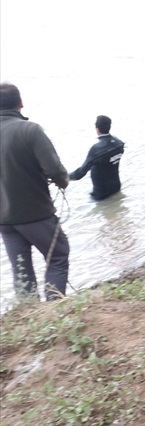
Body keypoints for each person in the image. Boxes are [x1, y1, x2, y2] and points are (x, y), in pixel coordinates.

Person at [0, 83, 71, 300]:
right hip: (35, 214)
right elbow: (54, 169)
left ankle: (29, 313)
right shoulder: (30, 130)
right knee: (58, 256)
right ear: (20, 103)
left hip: (5, 221)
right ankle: (54, 308)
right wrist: (62, 182)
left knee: (21, 270)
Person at [69, 115, 124, 200]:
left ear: (97, 129)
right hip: (116, 188)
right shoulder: (119, 143)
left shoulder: (96, 149)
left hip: (101, 194)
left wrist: (64, 177)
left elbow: (80, 173)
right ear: (109, 127)